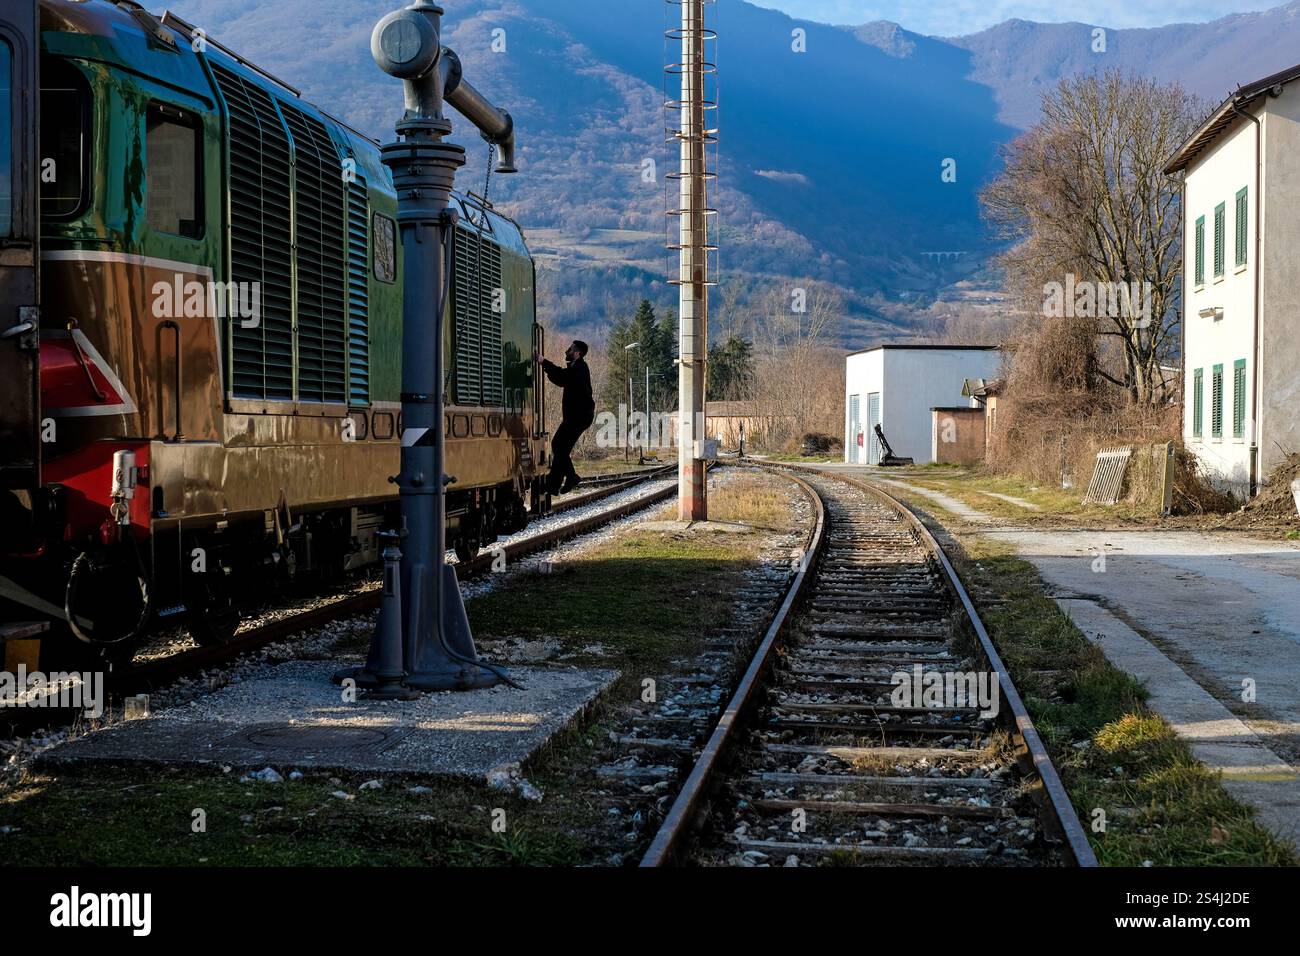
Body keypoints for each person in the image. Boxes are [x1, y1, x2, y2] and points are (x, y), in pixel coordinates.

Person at [536, 340, 595, 495]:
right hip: (577, 417)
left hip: (578, 417)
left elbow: (562, 377)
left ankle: (570, 477)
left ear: (577, 353)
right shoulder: (577, 368)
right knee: (561, 448)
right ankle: (554, 484)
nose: (566, 351)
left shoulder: (580, 368)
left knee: (558, 445)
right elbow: (560, 379)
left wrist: (543, 362)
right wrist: (547, 367)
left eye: (570, 349)